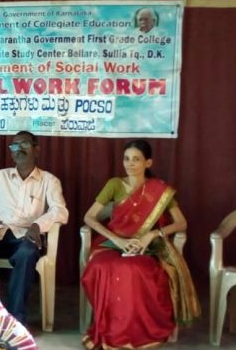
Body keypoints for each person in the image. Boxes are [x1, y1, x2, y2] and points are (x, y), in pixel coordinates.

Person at [81, 139, 200, 349]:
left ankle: (137, 331)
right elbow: (89, 217)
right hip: (113, 243)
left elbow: (181, 223)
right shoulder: (114, 184)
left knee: (135, 269)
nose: (130, 163)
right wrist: (116, 239)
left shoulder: (159, 190)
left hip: (148, 247)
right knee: (101, 266)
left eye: (136, 159)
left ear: (148, 163)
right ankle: (111, 330)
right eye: (126, 158)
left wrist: (153, 234)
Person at [0, 131, 68, 324]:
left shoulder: (49, 181)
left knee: (27, 253)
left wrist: (37, 225)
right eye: (14, 146)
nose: (18, 149)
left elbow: (60, 211)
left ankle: (16, 319)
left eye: (24, 144)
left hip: (26, 238)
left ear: (37, 150)